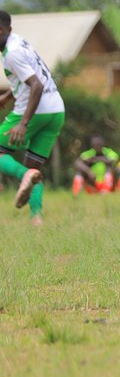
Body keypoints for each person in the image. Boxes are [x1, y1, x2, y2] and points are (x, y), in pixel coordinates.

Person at [0, 11, 66, 225]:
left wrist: (23, 123)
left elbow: (35, 85)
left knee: (21, 169)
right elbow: (32, 75)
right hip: (55, 110)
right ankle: (36, 218)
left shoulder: (12, 53)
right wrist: (8, 95)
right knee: (34, 168)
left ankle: (22, 176)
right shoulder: (20, 42)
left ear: (2, 31)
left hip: (33, 111)